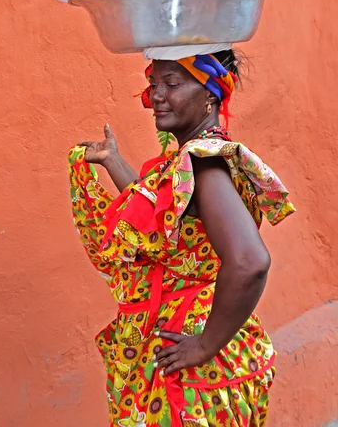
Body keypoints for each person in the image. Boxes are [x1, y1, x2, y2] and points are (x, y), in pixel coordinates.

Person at [68, 49, 295, 427]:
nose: (156, 95)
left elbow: (250, 261)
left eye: (172, 83)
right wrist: (114, 161)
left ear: (210, 94)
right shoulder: (194, 159)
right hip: (186, 345)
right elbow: (161, 217)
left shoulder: (204, 164)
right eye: (153, 83)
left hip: (191, 363)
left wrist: (206, 344)